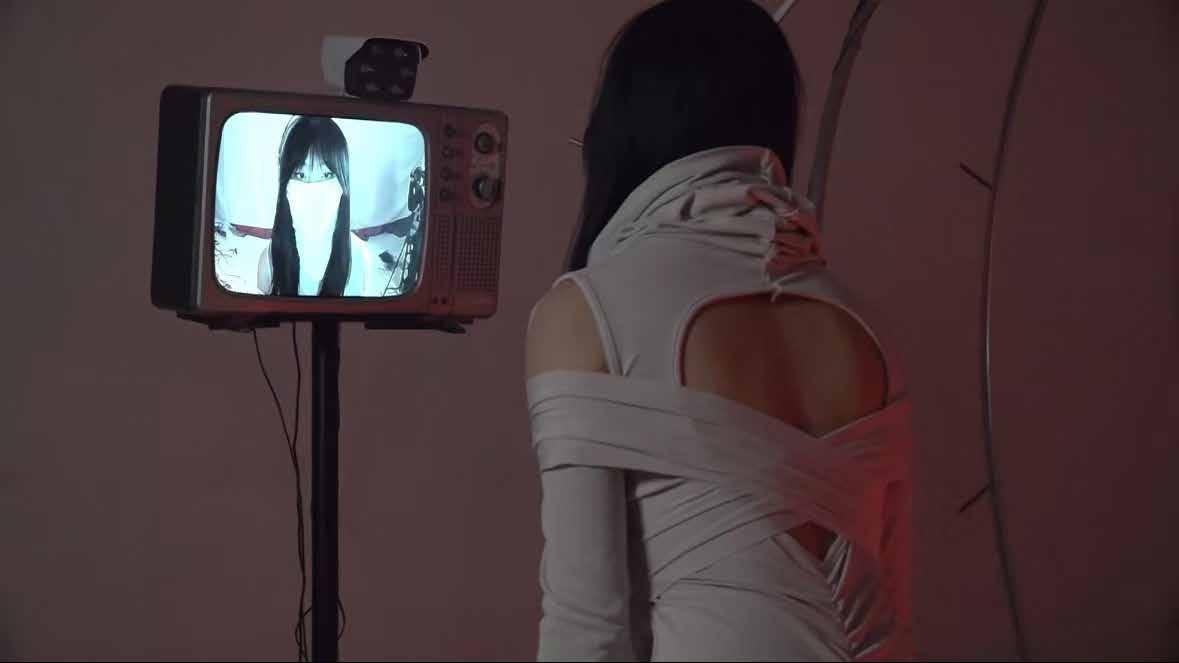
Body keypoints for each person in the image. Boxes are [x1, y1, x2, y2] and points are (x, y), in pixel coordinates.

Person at [524, 0, 914, 660]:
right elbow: (892, 615)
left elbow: (586, 634)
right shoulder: (863, 329)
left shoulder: (584, 313)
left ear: (623, 128)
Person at [257, 115, 377, 296]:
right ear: (285, 187)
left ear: (343, 185)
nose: (313, 190)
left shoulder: (360, 260)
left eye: (327, 174)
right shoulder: (268, 263)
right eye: (300, 175)